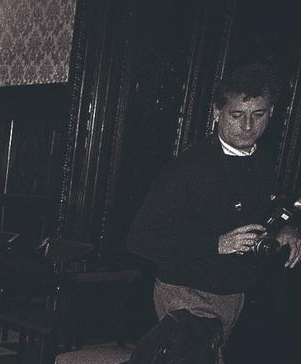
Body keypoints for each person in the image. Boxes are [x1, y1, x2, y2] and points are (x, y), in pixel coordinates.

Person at [128, 63, 301, 347]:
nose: (248, 126)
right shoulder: (186, 169)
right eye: (237, 115)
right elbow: (139, 241)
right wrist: (216, 244)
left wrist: (286, 229)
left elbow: (263, 214)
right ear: (217, 113)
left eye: (258, 115)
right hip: (186, 293)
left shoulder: (265, 163)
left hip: (235, 296)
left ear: (272, 113)